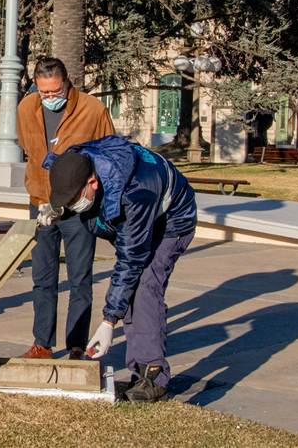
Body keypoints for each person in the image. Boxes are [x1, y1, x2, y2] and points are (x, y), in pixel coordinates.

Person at [45, 135, 197, 402]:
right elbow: (71, 189)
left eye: (73, 200)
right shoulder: (77, 162)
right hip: (137, 216)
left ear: (93, 182)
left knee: (145, 286)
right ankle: (139, 371)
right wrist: (57, 209)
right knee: (130, 288)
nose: (72, 205)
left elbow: (130, 260)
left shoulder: (134, 194)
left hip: (172, 221)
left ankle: (153, 376)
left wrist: (108, 321)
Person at [16, 57, 115, 360]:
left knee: (79, 280)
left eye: (55, 91)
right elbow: (29, 151)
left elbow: (111, 152)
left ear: (67, 83)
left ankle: (75, 347)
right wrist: (39, 192)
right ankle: (42, 344)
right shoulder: (26, 108)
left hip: (78, 209)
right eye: (43, 92)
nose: (49, 98)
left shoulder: (92, 109)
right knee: (42, 278)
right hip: (41, 205)